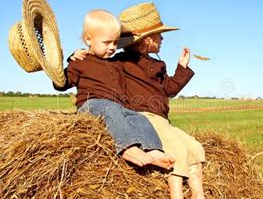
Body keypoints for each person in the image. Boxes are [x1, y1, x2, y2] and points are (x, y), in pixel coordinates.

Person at [72, 3, 218, 199]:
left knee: (195, 148)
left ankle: (197, 197)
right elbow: (94, 63)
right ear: (145, 39)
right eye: (159, 35)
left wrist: (182, 68)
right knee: (177, 151)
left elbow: (169, 89)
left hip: (161, 118)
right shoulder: (120, 61)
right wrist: (76, 55)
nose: (163, 39)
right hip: (144, 116)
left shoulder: (159, 64)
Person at [54, 9, 174, 170]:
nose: (112, 47)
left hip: (116, 106)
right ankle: (127, 147)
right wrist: (69, 59)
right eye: (106, 42)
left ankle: (154, 149)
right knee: (108, 107)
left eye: (115, 43)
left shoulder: (115, 63)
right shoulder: (80, 62)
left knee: (139, 118)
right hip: (92, 105)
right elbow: (62, 84)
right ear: (88, 39)